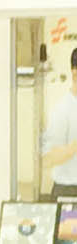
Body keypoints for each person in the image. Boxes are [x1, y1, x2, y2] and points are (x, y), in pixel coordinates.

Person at [43, 46, 77, 198]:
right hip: (68, 191)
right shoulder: (63, 109)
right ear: (75, 73)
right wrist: (74, 147)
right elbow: (51, 157)